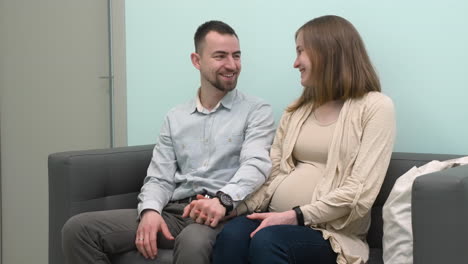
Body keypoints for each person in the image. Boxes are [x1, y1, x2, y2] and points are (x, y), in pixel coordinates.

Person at [61, 20, 275, 264]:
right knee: (78, 229)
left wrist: (223, 200)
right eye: (220, 56)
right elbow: (159, 177)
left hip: (220, 213)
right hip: (174, 212)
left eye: (236, 56)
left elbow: (256, 165)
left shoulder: (256, 111)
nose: (232, 65)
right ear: (197, 60)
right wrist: (150, 210)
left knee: (193, 242)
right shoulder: (176, 117)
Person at [212, 15, 396, 264]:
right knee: (232, 235)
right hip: (275, 220)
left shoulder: (375, 107)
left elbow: (359, 192)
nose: (295, 63)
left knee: (269, 241)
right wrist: (233, 207)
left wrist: (295, 216)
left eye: (301, 52)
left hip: (329, 232)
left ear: (327, 52)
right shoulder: (296, 112)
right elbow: (271, 177)